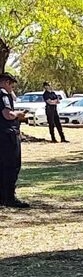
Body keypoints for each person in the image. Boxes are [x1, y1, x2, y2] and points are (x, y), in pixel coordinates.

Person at [0, 72, 29, 208]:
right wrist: (19, 114)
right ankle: (10, 198)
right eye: (11, 85)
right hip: (8, 136)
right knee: (11, 166)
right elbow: (8, 114)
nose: (13, 88)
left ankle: (3, 197)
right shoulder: (3, 95)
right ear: (6, 82)